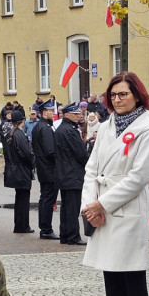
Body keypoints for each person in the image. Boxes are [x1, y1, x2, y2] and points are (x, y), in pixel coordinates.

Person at [81, 72, 149, 296]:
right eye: (113, 95)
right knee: (112, 283)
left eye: (123, 94)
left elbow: (140, 176)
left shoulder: (148, 126)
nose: (117, 99)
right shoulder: (105, 126)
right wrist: (91, 206)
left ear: (137, 95)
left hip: (126, 210)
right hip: (101, 210)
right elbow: (91, 169)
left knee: (131, 283)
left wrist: (103, 203)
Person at [54, 102, 90, 245]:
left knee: (66, 207)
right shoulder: (70, 131)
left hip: (64, 172)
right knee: (72, 208)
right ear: (67, 115)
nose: (78, 116)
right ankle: (73, 236)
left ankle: (65, 235)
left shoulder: (61, 129)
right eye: (75, 114)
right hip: (72, 173)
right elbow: (81, 153)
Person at [1, 108, 35, 233]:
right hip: (21, 170)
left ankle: (20, 225)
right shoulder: (18, 134)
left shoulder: (11, 133)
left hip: (15, 170)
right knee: (23, 200)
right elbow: (26, 153)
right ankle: (22, 226)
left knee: (20, 199)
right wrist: (32, 162)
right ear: (22, 121)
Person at [31, 101, 58, 239]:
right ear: (43, 112)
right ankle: (46, 229)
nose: (53, 113)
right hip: (49, 168)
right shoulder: (45, 127)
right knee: (48, 198)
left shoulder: (39, 126)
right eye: (50, 110)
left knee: (44, 198)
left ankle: (44, 227)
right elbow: (50, 150)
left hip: (43, 167)